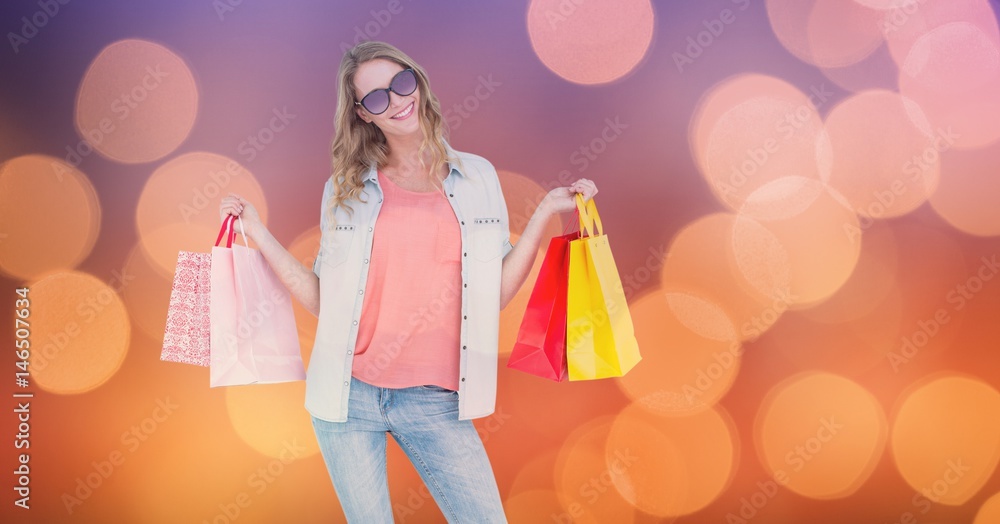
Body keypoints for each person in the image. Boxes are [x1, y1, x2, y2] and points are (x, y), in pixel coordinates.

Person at [219, 40, 598, 522]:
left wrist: (545, 211)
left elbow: (494, 296)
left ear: (416, 81)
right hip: (347, 397)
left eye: (401, 83)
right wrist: (258, 232)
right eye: (377, 98)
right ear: (362, 114)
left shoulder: (476, 176)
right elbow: (324, 299)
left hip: (434, 398)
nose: (398, 101)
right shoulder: (345, 189)